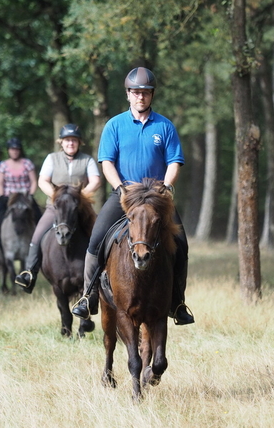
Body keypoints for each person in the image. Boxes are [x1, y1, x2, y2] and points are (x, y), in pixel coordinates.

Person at [71, 67, 195, 325]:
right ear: (128, 94)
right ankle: (88, 296)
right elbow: (107, 162)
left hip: (157, 198)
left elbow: (174, 162)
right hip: (125, 195)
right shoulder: (114, 125)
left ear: (152, 95)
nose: (141, 97)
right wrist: (120, 188)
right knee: (95, 240)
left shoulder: (165, 126)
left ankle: (177, 303)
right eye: (136, 92)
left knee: (181, 244)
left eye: (146, 93)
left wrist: (166, 187)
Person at [14, 123, 102, 292]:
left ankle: (103, 273)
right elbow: (42, 181)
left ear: (79, 143)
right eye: (67, 140)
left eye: (74, 140)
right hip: (55, 209)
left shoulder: (87, 160)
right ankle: (29, 273)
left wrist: (79, 197)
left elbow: (96, 181)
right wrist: (56, 197)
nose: (71, 143)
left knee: (99, 235)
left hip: (80, 209)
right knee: (38, 235)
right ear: (61, 142)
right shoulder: (52, 158)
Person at [0, 138, 41, 256]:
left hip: (25, 196)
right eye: (12, 149)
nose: (15, 151)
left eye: (17, 149)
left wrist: (30, 194)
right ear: (8, 150)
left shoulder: (27, 163)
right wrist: (2, 195)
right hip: (9, 197)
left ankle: (42, 241)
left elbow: (34, 181)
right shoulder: (3, 165)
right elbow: (0, 183)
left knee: (38, 216)